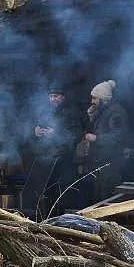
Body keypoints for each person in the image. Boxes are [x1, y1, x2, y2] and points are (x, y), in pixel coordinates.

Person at [27, 89, 85, 217]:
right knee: (46, 190)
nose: (53, 99)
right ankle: (45, 216)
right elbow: (37, 126)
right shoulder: (46, 111)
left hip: (64, 158)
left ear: (63, 97)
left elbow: (77, 135)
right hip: (47, 157)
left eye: (56, 96)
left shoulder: (72, 112)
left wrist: (57, 134)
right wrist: (36, 131)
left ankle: (60, 218)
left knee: (62, 190)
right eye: (51, 96)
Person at [82, 80, 130, 202]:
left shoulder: (116, 113)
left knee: (107, 197)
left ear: (104, 99)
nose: (92, 101)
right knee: (97, 195)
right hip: (98, 161)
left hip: (110, 163)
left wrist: (96, 138)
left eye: (95, 98)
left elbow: (118, 137)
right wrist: (91, 118)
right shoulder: (100, 111)